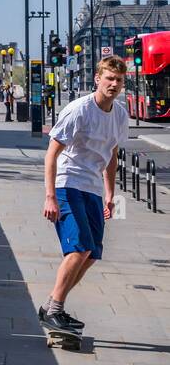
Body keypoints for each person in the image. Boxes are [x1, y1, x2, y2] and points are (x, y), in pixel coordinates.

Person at [38, 56, 128, 337]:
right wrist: (50, 196)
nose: (114, 84)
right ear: (97, 79)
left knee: (91, 253)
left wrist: (110, 195)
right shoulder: (79, 110)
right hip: (67, 184)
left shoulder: (120, 115)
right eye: (109, 78)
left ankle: (53, 306)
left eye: (119, 80)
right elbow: (52, 153)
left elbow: (112, 155)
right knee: (79, 248)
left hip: (92, 189)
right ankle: (54, 309)